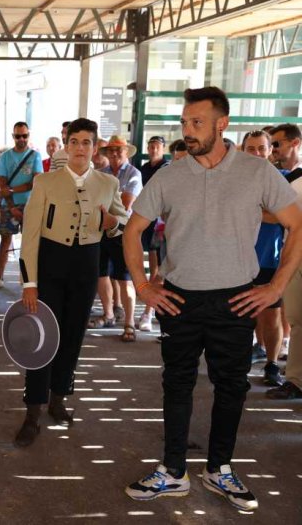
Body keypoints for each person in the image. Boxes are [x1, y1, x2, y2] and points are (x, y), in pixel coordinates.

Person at [123, 87, 302, 511]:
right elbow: (132, 232)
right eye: (184, 122)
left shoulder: (257, 172)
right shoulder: (169, 174)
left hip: (236, 300)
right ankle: (172, 471)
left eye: (197, 122)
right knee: (177, 384)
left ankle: (219, 467)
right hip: (179, 300)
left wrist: (275, 287)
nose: (187, 130)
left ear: (222, 124)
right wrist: (144, 287)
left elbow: (297, 225)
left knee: (232, 387)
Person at [15, 118, 127, 447]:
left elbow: (120, 222)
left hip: (86, 264)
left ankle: (58, 400)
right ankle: (32, 412)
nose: (80, 148)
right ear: (66, 145)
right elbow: (30, 236)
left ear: (95, 148)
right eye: (74, 142)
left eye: (86, 142)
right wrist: (28, 283)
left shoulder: (108, 183)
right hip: (50, 261)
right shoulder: (45, 181)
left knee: (73, 336)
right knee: (42, 338)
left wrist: (111, 223)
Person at [242, 130, 286, 386]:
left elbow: (283, 216)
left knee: (271, 316)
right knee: (242, 315)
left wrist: (251, 211)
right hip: (238, 259)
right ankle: (242, 362)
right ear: (243, 150)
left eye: (262, 148)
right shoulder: (233, 180)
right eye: (251, 149)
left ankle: (271, 364)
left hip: (270, 258)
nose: (257, 153)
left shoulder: (282, 180)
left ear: (271, 151)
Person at [94, 135, 143, 342]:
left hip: (124, 232)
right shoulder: (101, 174)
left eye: (119, 150)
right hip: (102, 231)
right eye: (111, 150)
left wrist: (105, 209)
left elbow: (126, 204)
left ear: (126, 152)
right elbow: (95, 203)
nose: (115, 153)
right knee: (101, 274)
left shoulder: (134, 173)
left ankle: (129, 322)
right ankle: (108, 314)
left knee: (125, 278)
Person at [267, 123, 302, 399]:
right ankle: (295, 380)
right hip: (294, 257)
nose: (273, 149)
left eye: (277, 143)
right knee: (297, 319)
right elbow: (272, 216)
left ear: (295, 143)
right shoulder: (291, 180)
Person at [0, 121, 42, 290]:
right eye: (18, 136)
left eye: (24, 135)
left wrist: (12, 189)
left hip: (31, 204)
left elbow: (36, 181)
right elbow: (1, 183)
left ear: (28, 136)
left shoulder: (35, 156)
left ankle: (29, 280)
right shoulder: (5, 157)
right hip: (9, 205)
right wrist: (11, 206)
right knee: (5, 241)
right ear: (13, 137)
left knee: (30, 243)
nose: (21, 139)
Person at [137, 136, 171, 332]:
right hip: (152, 225)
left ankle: (150, 312)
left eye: (157, 146)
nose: (153, 149)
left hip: (167, 225)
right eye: (150, 146)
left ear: (162, 148)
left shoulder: (167, 167)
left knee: (161, 274)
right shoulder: (144, 168)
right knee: (155, 270)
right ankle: (150, 312)